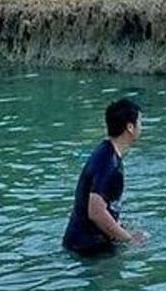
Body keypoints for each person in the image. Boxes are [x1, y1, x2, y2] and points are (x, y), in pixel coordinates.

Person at [62, 97, 148, 255]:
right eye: (140, 122)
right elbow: (96, 212)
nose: (141, 127)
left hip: (82, 244)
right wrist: (129, 240)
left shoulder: (105, 153)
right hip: (89, 249)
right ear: (130, 127)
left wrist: (121, 229)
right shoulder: (110, 164)